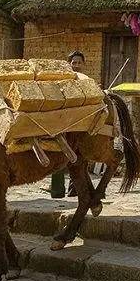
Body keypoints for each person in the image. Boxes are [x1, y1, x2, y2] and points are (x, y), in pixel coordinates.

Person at [50, 50, 86, 198]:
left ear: (84, 64)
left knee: (80, 156)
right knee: (58, 155)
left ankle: (74, 189)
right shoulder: (63, 80)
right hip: (63, 123)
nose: (76, 65)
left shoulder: (86, 81)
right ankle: (57, 190)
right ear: (69, 64)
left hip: (81, 124)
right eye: (74, 63)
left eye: (79, 63)